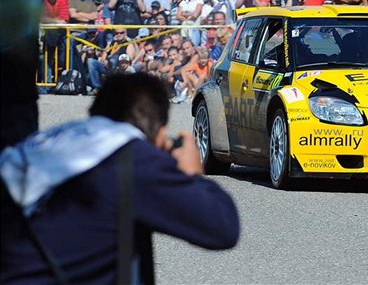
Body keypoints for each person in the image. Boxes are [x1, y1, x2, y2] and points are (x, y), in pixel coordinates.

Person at [0, 73, 239, 283]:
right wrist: (191, 174)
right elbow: (222, 227)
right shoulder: (132, 158)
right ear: (160, 132)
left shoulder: (47, 141)